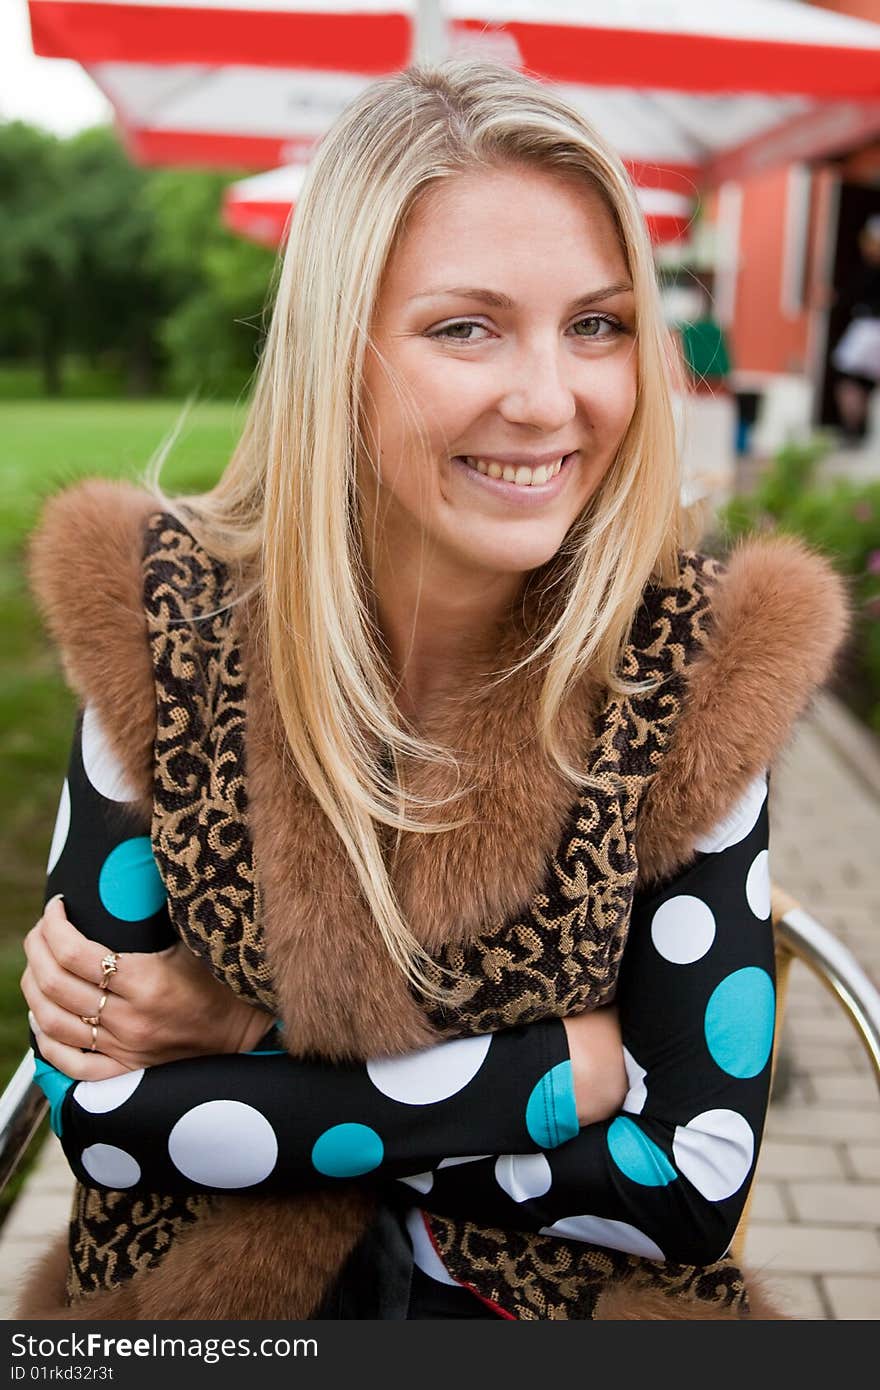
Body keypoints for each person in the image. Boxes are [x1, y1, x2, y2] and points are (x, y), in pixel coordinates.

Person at [17, 59, 848, 1321]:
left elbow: (690, 1178)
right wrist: (566, 1068)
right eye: (466, 326)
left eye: (599, 323)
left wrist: (252, 1043)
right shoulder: (160, 623)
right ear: (336, 354)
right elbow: (117, 1125)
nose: (546, 398)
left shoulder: (700, 661)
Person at [831, 213, 880, 444]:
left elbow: (847, 296)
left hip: (868, 330)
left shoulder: (869, 271)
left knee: (847, 379)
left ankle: (853, 431)